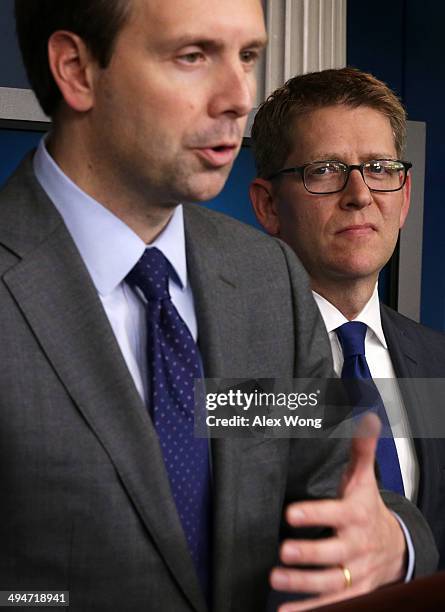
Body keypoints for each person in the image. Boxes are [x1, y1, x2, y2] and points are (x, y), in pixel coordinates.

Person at [0, 2, 435, 610]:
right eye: (193, 56)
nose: (238, 97)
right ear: (76, 69)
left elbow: (339, 483)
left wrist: (390, 540)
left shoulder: (266, 279)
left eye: (248, 56)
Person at [250, 67, 445, 588]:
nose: (359, 193)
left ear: (403, 200)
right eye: (326, 169)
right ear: (269, 205)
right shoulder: (223, 366)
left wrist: (402, 548)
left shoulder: (438, 363)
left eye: (380, 168)